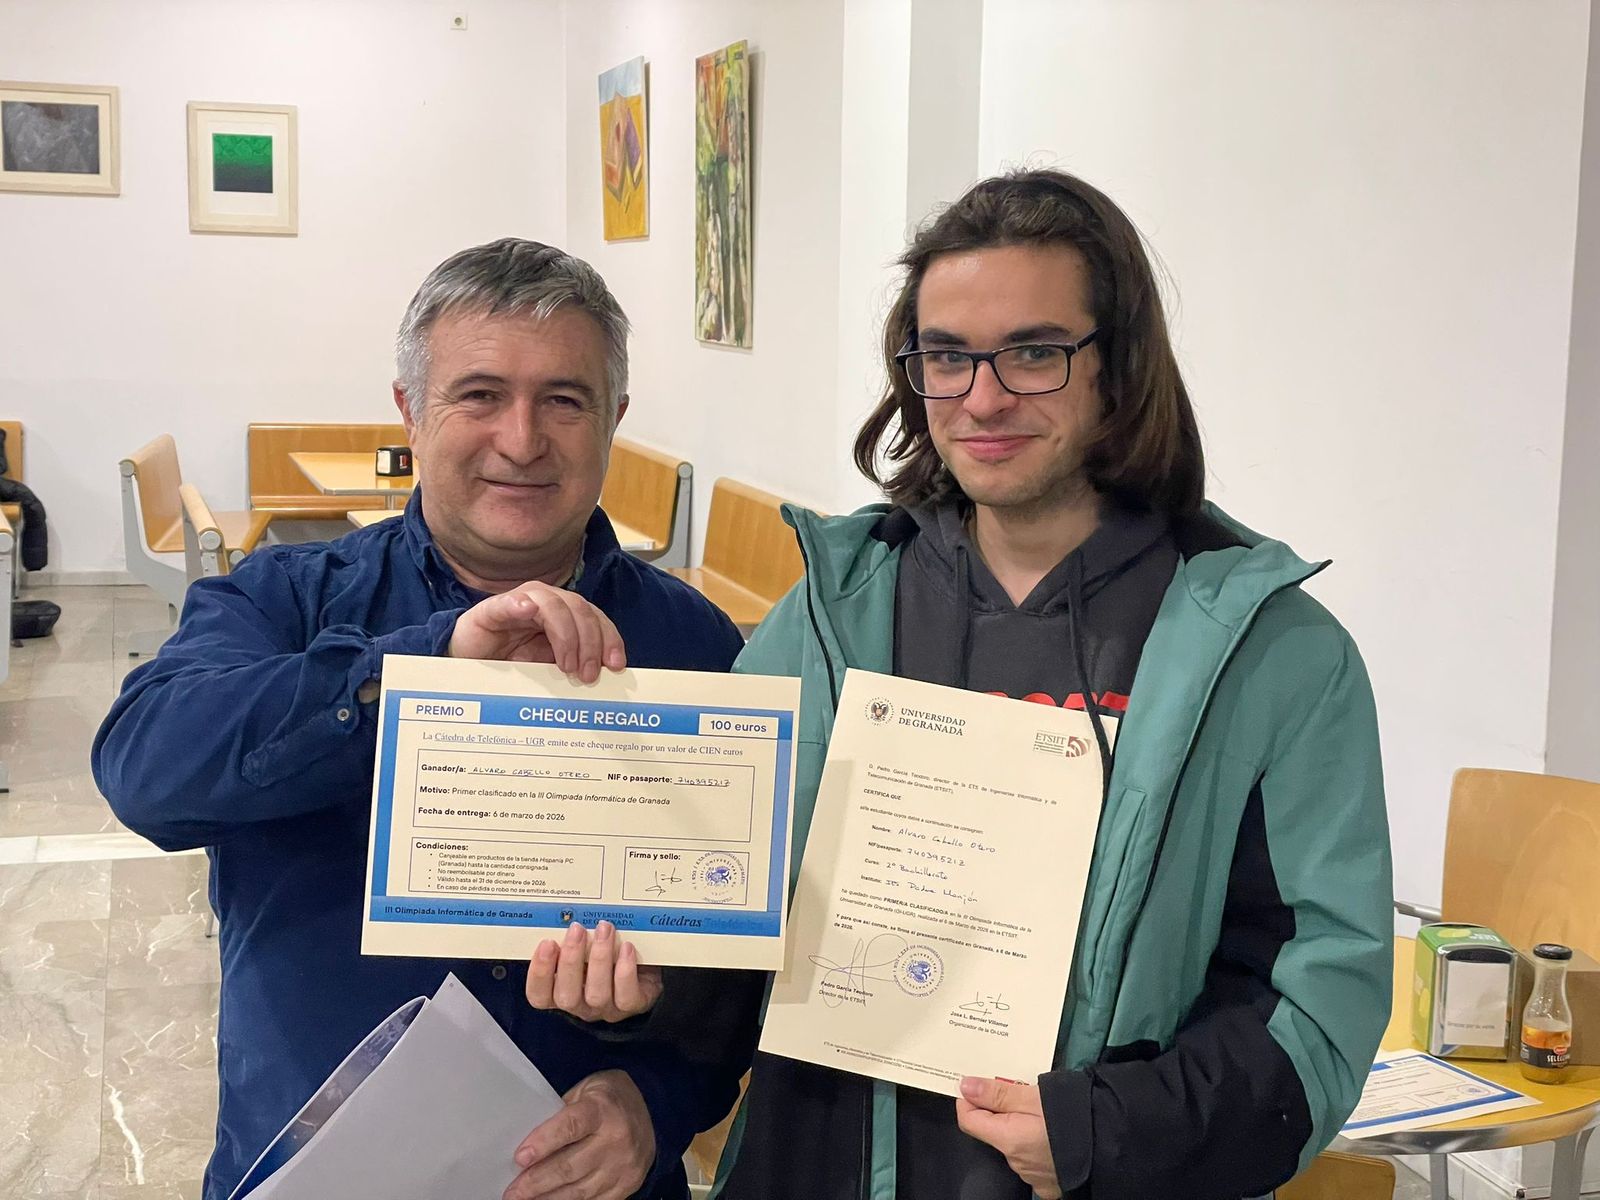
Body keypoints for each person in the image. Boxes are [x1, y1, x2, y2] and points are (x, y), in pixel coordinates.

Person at [534, 170, 1393, 1199]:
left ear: (1117, 367)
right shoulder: (822, 620)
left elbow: (1317, 1003)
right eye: (947, 357)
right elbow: (732, 930)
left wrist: (1104, 1130)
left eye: (1034, 352)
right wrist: (647, 987)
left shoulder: (1271, 655)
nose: (982, 397)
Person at [92, 238, 753, 1200]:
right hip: (316, 1174)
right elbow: (145, 772)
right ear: (410, 409)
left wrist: (659, 1094)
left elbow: (746, 968)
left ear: (614, 417)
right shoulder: (285, 601)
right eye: (479, 395)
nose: (522, 440)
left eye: (564, 400)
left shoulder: (694, 646)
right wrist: (419, 669)